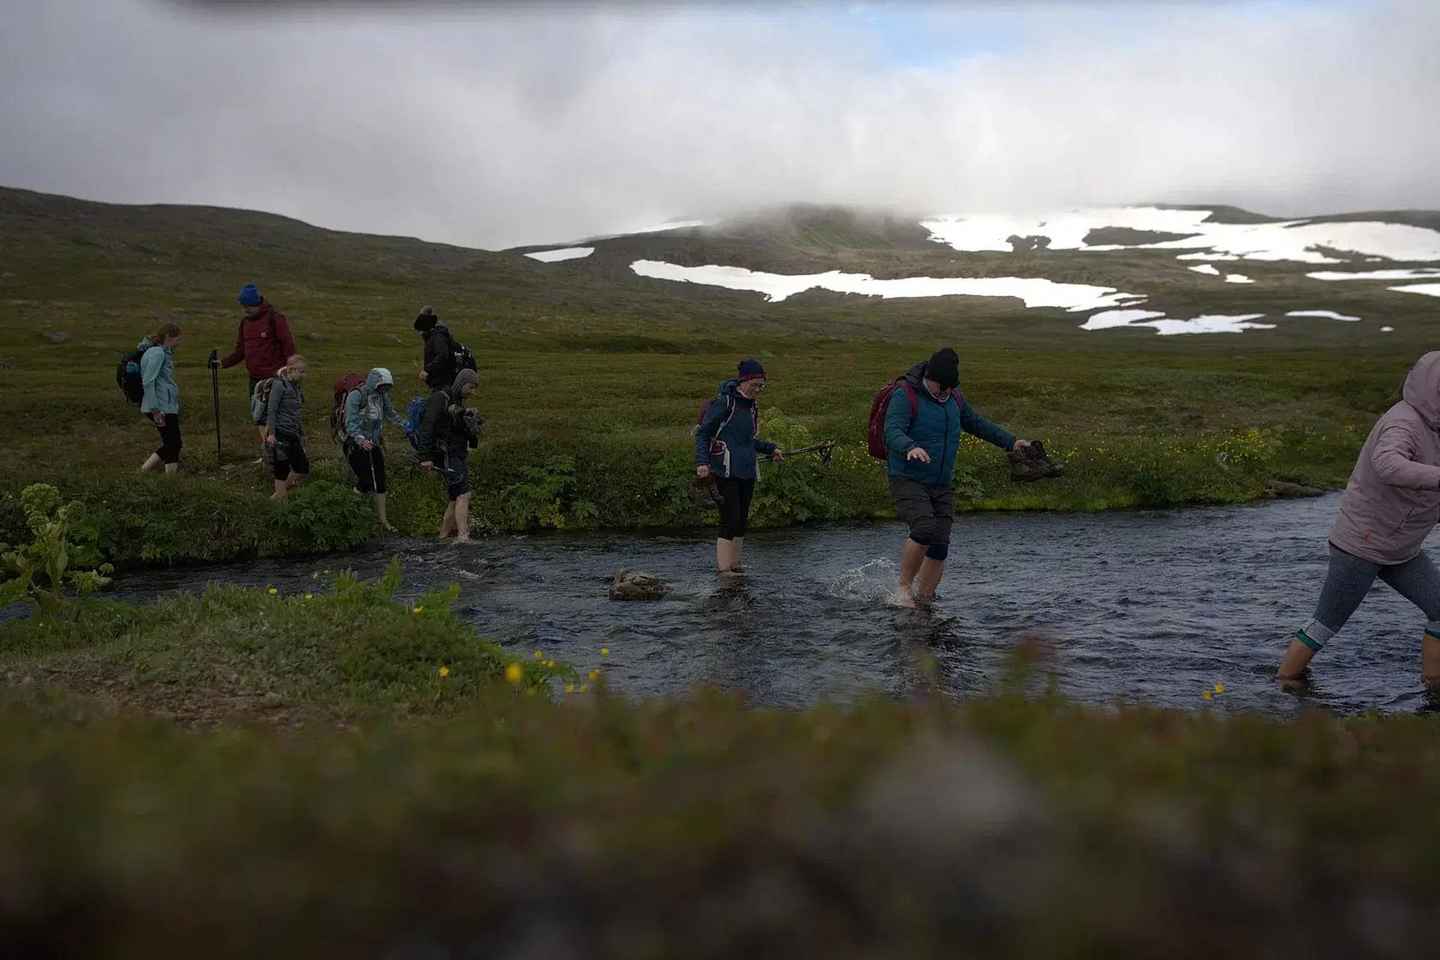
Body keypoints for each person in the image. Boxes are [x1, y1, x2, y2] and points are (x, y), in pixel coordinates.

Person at [1278, 352, 1440, 689]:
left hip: (1401, 548)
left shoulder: (1435, 425)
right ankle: (1283, 685)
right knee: (1326, 624)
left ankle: (1433, 687)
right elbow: (1389, 465)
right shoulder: (1403, 422)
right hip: (1361, 545)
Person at [884, 347, 1031, 605]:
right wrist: (910, 447)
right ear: (930, 379)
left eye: (951, 389)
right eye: (943, 388)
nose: (947, 393)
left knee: (940, 543)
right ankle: (903, 590)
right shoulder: (904, 395)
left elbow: (976, 423)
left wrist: (1011, 442)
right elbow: (892, 431)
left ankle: (924, 600)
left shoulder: (954, 397)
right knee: (924, 528)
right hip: (908, 478)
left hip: (941, 482)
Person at [695, 359, 784, 574]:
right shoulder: (725, 403)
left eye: (762, 385)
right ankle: (725, 571)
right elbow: (703, 433)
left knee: (742, 520)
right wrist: (702, 463)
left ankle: (736, 566)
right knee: (730, 518)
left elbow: (748, 440)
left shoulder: (752, 407)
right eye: (755, 384)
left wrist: (771, 449)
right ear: (743, 381)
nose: (758, 389)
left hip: (747, 470)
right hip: (724, 470)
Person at [222, 283, 296, 456]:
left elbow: (288, 345)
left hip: (275, 378)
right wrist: (222, 363)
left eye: (248, 306)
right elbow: (241, 351)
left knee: (275, 416)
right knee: (258, 417)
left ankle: (280, 453)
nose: (245, 310)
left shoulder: (274, 318)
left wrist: (291, 371)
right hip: (254, 379)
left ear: (257, 303)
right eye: (243, 306)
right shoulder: (245, 323)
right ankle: (269, 452)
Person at [415, 368, 480, 543]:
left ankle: (442, 537)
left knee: (454, 498)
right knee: (463, 494)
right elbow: (427, 426)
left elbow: (456, 430)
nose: (473, 392)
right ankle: (463, 537)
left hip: (456, 454)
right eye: (471, 387)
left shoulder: (458, 402)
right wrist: (425, 457)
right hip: (445, 455)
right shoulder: (440, 397)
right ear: (462, 383)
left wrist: (470, 424)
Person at [343, 367, 409, 530]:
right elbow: (350, 422)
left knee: (380, 482)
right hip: (355, 444)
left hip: (374, 443)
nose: (385, 390)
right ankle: (349, 512)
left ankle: (383, 521)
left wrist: (406, 425)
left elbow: (390, 414)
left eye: (387, 387)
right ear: (374, 383)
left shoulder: (382, 396)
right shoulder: (356, 395)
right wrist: (361, 440)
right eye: (382, 386)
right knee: (365, 482)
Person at [138, 322, 183, 475]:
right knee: (174, 443)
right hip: (161, 406)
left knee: (172, 442)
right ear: (169, 337)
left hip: (166, 405)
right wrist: (155, 409)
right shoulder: (158, 353)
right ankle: (169, 479)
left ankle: (144, 471)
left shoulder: (159, 352)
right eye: (177, 339)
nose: (178, 342)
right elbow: (149, 381)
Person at [264, 355, 309, 500]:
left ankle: (277, 495)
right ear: (291, 370)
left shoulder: (296, 386)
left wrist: (302, 433)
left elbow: (297, 412)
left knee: (302, 468)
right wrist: (271, 434)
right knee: (281, 469)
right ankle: (280, 498)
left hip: (293, 433)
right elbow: (272, 410)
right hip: (280, 432)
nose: (304, 375)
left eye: (304, 371)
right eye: (301, 371)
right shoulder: (279, 385)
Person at [414, 305, 458, 391]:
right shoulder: (434, 336)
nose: (420, 333)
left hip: (443, 383)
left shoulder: (438, 336)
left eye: (420, 330)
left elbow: (442, 355)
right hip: (439, 382)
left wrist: (427, 370)